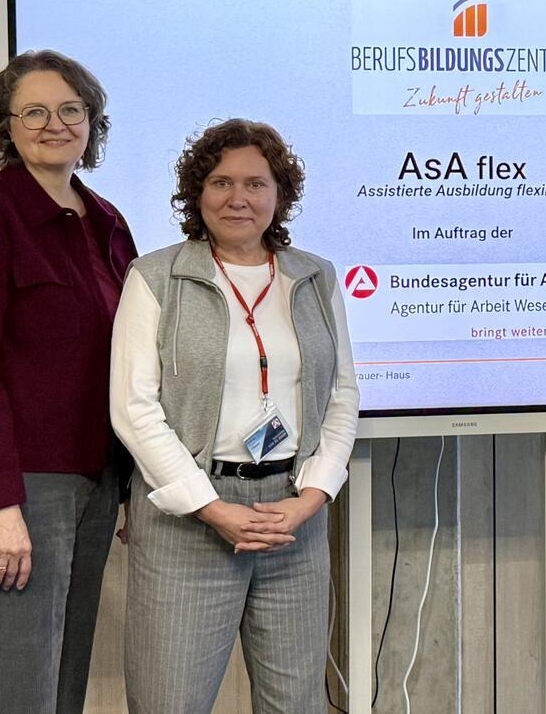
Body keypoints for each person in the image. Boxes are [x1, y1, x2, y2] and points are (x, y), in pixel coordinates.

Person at [110, 119, 359, 714]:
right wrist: (210, 506)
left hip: (290, 519)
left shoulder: (315, 277)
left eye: (255, 183)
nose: (238, 198)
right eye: (220, 182)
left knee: (296, 703)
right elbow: (133, 406)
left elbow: (342, 394)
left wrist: (313, 497)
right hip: (186, 521)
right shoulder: (156, 277)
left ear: (281, 193)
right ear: (197, 193)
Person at [0, 50, 137, 714]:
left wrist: (134, 481)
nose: (55, 123)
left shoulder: (106, 219)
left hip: (100, 478)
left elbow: (132, 360)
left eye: (70, 109)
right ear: (6, 127)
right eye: (35, 111)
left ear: (92, 122)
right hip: (25, 489)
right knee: (20, 683)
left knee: (67, 675)